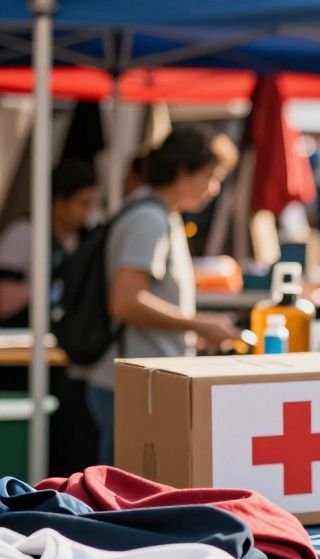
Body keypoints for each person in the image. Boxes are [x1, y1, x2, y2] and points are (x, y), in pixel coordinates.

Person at [88, 126, 241, 464]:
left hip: (138, 381)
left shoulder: (157, 214)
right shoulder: (149, 218)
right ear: (184, 170)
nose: (214, 189)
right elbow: (126, 301)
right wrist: (198, 324)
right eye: (211, 176)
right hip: (131, 386)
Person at [0, 158, 98, 327]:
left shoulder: (87, 237)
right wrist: (45, 292)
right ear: (59, 203)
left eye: (92, 204)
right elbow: (3, 297)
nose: (89, 212)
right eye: (83, 203)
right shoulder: (24, 233)